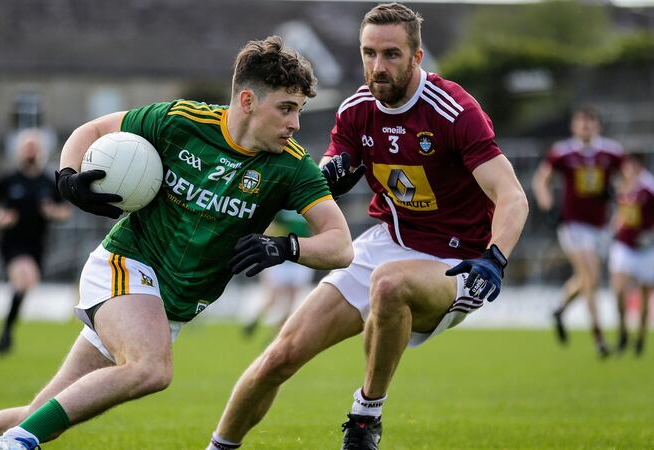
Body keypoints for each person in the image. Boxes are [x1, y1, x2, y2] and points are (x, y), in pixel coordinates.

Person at [0, 36, 353, 450]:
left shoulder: (293, 167)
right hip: (125, 265)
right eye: (287, 108)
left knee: (38, 413)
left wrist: (286, 248)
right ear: (248, 100)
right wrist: (68, 177)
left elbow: (339, 245)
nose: (296, 123)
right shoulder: (180, 121)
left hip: (165, 304)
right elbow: (91, 131)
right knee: (152, 369)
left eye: (298, 109)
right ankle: (15, 445)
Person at [206, 4, 528, 450]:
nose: (378, 67)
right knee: (278, 357)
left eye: (392, 54)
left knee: (390, 284)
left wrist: (495, 258)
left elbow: (512, 195)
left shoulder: (454, 110)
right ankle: (219, 446)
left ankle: (365, 417)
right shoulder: (357, 110)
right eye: (369, 53)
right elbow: (327, 176)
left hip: (458, 261)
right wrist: (329, 177)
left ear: (417, 58)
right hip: (387, 242)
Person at [532, 105, 625, 357]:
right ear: (574, 126)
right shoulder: (563, 152)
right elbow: (541, 179)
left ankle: (560, 308)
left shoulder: (611, 152)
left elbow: (628, 181)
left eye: (590, 122)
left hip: (601, 226)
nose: (586, 126)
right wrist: (549, 207)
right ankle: (599, 340)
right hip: (573, 226)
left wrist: (618, 197)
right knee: (592, 278)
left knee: (585, 278)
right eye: (581, 122)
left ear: (597, 125)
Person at [0, 129, 72, 356]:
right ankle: (6, 335)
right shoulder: (9, 180)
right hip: (12, 242)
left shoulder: (49, 182)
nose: (30, 151)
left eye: (34, 147)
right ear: (19, 151)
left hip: (37, 243)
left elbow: (65, 212)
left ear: (41, 151)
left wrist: (52, 212)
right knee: (24, 277)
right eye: (26, 147)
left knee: (27, 284)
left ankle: (6, 331)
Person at [241, 210, 315, 340]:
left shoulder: (309, 210)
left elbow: (314, 230)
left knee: (292, 301)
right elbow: (271, 228)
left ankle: (277, 334)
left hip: (300, 259)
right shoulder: (283, 211)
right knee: (273, 298)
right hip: (283, 259)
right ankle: (255, 321)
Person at [608, 153, 654, 356]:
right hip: (624, 245)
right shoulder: (622, 186)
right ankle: (623, 332)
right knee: (618, 290)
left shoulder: (648, 187)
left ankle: (641, 339)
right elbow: (622, 212)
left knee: (645, 294)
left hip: (646, 249)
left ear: (638, 166)